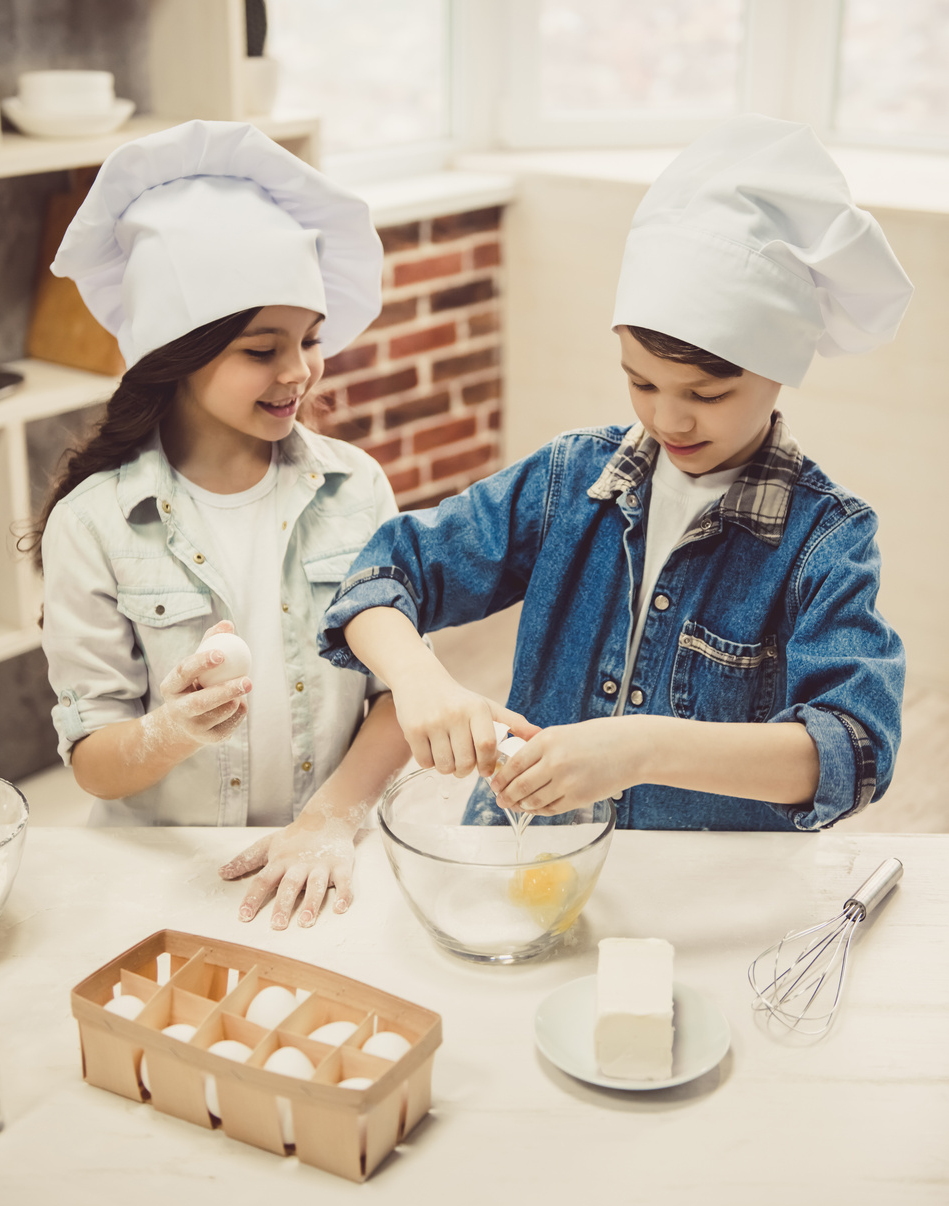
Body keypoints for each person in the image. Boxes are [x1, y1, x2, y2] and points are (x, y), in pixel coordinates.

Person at [317, 114, 913, 832]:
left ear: (780, 370)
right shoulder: (571, 480)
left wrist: (642, 747)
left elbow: (852, 750)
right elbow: (385, 573)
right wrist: (417, 680)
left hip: (698, 890)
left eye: (707, 394)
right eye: (642, 382)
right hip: (526, 857)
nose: (670, 420)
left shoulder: (825, 539)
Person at [32, 120, 415, 926]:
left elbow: (396, 695)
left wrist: (329, 820)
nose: (300, 371)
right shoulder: (95, 524)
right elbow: (96, 765)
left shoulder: (355, 489)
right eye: (259, 349)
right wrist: (171, 731)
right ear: (176, 354)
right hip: (167, 875)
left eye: (310, 340)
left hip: (328, 857)